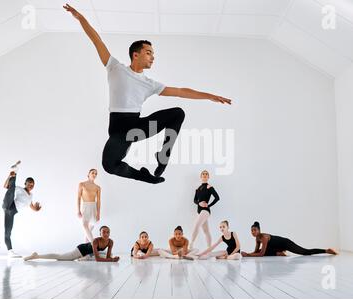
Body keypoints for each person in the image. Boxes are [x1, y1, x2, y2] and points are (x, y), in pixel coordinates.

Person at [63, 4, 232, 184]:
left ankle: (163, 154)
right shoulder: (115, 68)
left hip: (137, 130)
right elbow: (97, 40)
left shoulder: (149, 84)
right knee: (109, 165)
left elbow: (181, 92)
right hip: (121, 132)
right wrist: (80, 18)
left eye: (153, 54)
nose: (152, 57)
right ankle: (145, 176)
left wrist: (209, 96)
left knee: (177, 113)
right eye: (149, 52)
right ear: (135, 55)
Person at [2, 161, 41, 258]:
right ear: (25, 183)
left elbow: (31, 206)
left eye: (32, 185)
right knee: (12, 189)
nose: (31, 186)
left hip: (12, 212)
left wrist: (36, 209)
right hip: (9, 204)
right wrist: (9, 176)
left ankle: (10, 252)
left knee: (8, 232)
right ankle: (14, 171)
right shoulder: (19, 189)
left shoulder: (31, 195)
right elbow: (6, 187)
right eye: (29, 184)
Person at [23, 226, 120, 262]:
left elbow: (108, 257)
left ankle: (85, 258)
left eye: (108, 232)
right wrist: (111, 260)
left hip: (88, 253)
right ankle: (37, 256)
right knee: (60, 257)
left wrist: (111, 259)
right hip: (81, 250)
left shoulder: (110, 242)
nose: (106, 234)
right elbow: (98, 259)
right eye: (104, 232)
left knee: (110, 254)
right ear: (100, 233)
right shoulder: (95, 241)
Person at [241, 221, 338, 257]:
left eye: (255, 230)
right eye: (252, 231)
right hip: (277, 247)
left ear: (259, 230)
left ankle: (326, 250)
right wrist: (249, 253)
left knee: (305, 252)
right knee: (259, 250)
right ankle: (278, 253)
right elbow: (256, 251)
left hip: (285, 243)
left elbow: (261, 254)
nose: (253, 232)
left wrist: (248, 255)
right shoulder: (257, 239)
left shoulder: (264, 237)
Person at [190, 170, 219, 249]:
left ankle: (191, 245)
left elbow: (217, 198)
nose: (205, 175)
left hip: (205, 211)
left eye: (206, 174)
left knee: (196, 226)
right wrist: (198, 203)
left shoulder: (209, 187)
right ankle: (209, 248)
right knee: (206, 231)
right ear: (201, 177)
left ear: (208, 177)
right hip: (199, 211)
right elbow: (195, 200)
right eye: (203, 174)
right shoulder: (198, 188)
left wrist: (209, 205)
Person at [77, 169, 101, 242]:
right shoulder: (82, 184)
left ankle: (86, 250)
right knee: (84, 225)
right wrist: (78, 210)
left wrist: (98, 213)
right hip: (85, 206)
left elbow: (99, 201)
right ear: (88, 174)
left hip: (93, 208)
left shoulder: (98, 187)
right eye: (93, 173)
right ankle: (93, 244)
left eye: (96, 174)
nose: (94, 175)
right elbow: (78, 198)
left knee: (89, 231)